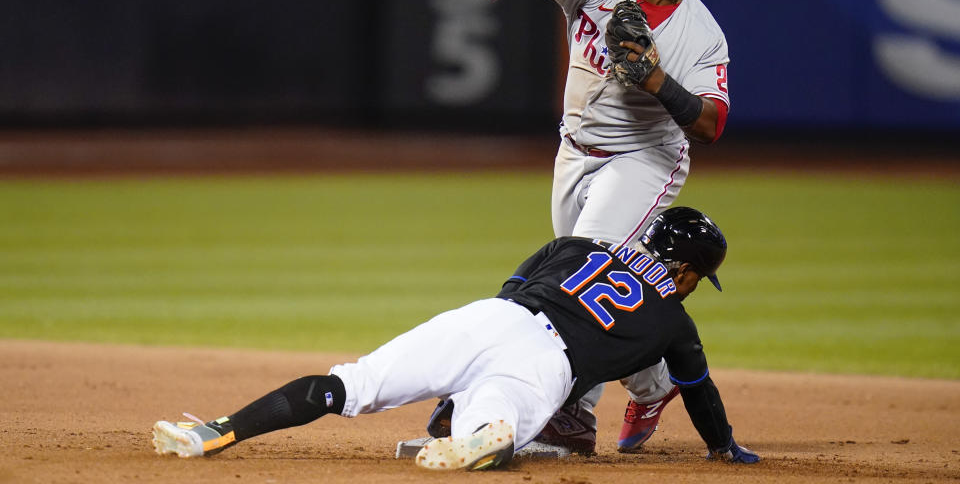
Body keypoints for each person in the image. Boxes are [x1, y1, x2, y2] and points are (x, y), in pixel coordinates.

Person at [152, 207, 759, 471]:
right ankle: (479, 435)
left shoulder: (581, 247)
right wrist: (724, 448)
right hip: (549, 364)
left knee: (351, 382)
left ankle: (214, 431)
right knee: (490, 430)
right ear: (684, 271)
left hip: (493, 318)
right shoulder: (676, 322)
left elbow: (519, 279)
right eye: (698, 277)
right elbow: (700, 395)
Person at [465, 0, 731, 453]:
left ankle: (574, 416)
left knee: (582, 270)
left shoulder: (702, 35)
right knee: (585, 281)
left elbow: (711, 124)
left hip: (645, 159)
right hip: (576, 151)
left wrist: (657, 80)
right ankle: (654, 383)